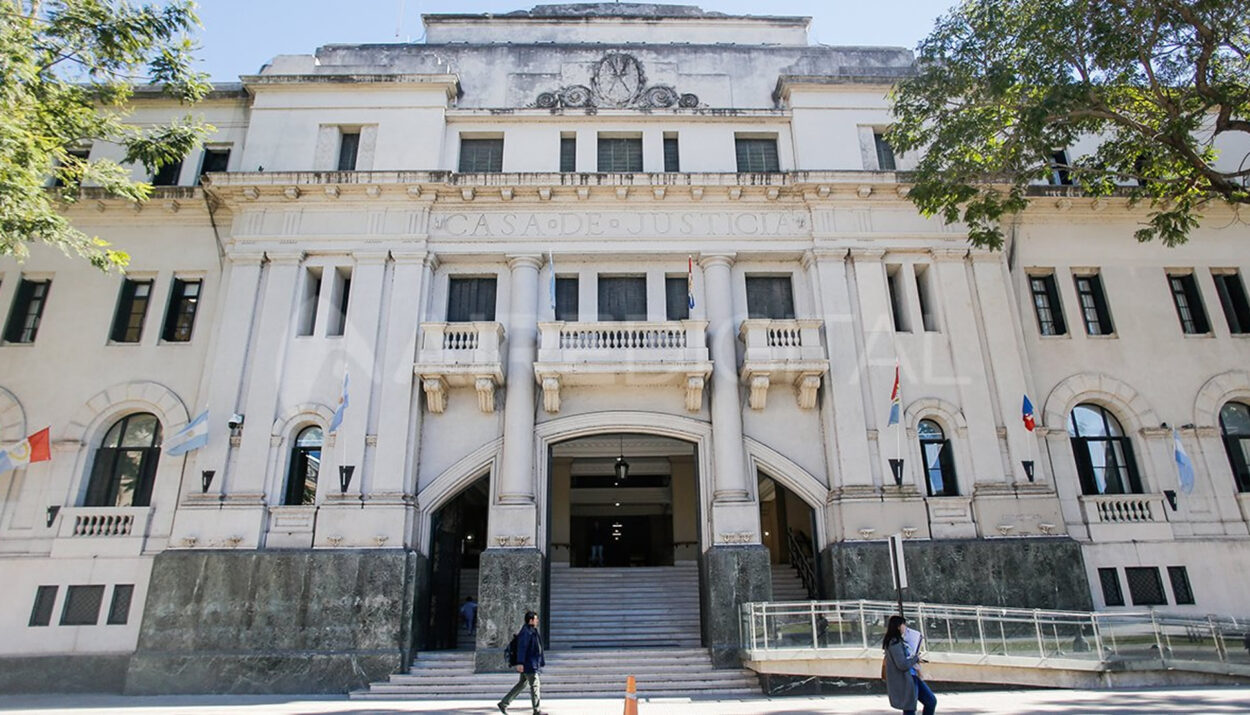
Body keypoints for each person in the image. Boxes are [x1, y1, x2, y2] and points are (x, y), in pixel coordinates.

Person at [883, 614, 936, 715]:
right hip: (906, 679)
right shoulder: (894, 643)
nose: (906, 628)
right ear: (898, 626)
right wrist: (915, 658)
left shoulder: (900, 641)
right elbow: (902, 664)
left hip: (912, 676)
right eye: (904, 625)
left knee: (930, 701)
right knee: (910, 708)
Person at [498, 610, 546, 714]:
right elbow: (522, 648)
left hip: (532, 663)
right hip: (529, 664)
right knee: (535, 685)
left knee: (522, 684)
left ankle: (504, 703)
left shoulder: (532, 631)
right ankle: (537, 710)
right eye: (536, 619)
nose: (537, 620)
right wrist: (520, 662)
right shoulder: (526, 632)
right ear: (531, 620)